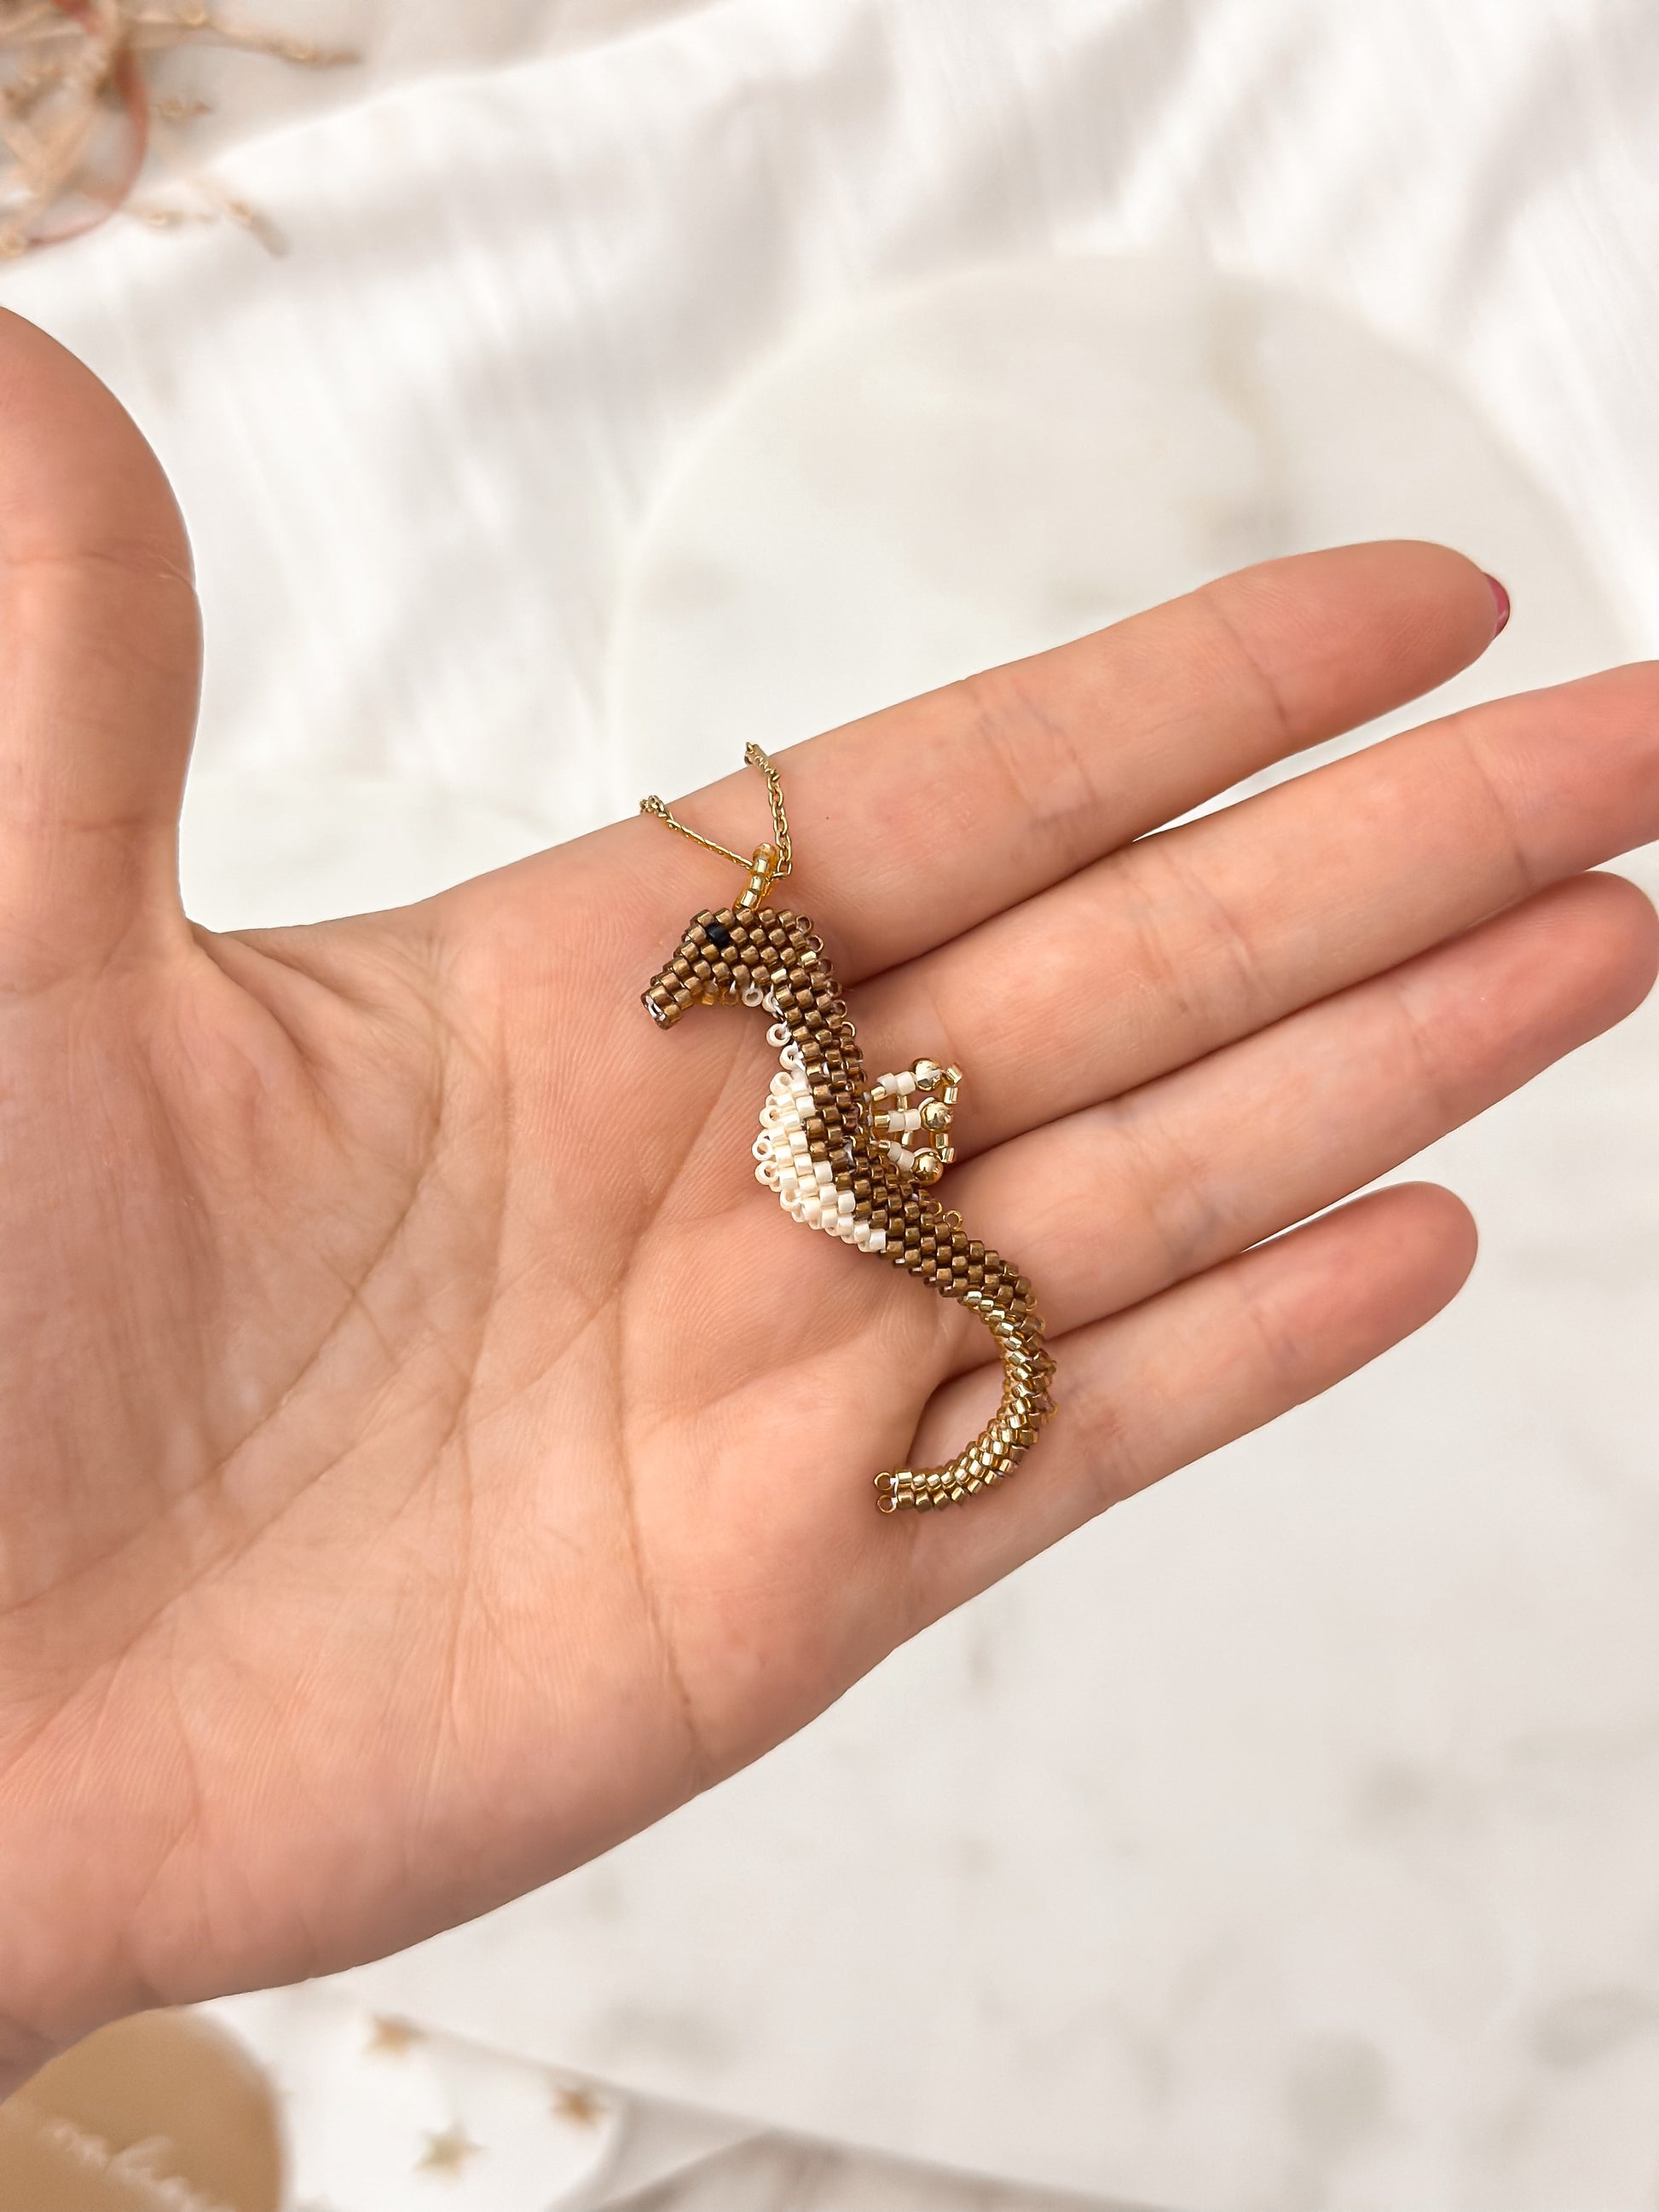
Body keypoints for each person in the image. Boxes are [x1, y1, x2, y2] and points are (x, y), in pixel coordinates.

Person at [0, 304, 1654, 2095]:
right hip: (842, 1149)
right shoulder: (780, 1028)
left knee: (856, 1154)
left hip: (858, 1165)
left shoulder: (812, 1068)